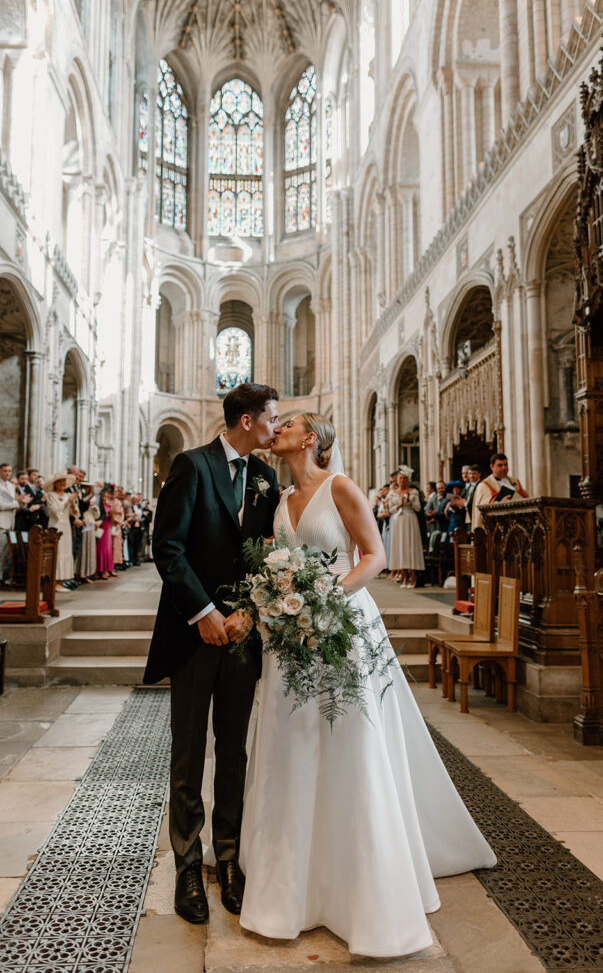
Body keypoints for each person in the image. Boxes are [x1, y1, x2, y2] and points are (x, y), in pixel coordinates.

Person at [229, 413, 495, 958]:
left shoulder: (340, 487)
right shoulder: (278, 501)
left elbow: (373, 555)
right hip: (290, 637)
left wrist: (327, 596)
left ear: (311, 440)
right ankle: (291, 884)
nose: (275, 429)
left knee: (350, 741)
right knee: (292, 745)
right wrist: (278, 602)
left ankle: (360, 886)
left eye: (288, 425)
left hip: (342, 624)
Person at [143, 382, 280, 925]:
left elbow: (269, 554)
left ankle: (228, 856)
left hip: (243, 632)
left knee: (234, 749)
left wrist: (250, 609)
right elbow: (167, 547)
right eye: (271, 418)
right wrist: (205, 614)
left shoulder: (266, 478)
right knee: (189, 749)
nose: (276, 426)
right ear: (246, 421)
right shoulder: (191, 465)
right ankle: (185, 862)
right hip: (194, 630)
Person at [0, 463, 30, 587]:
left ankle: (0, 577)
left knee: (5, 552)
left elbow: (12, 505)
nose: (7, 473)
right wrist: (17, 502)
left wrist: (22, 503)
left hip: (10, 522)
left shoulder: (11, 486)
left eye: (10, 471)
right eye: (5, 471)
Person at [388, 468, 425, 588]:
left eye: (405, 478)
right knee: (400, 548)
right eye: (400, 478)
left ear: (408, 480)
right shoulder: (393, 493)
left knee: (411, 547)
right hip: (398, 521)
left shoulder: (413, 491)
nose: (402, 480)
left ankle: (413, 578)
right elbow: (390, 509)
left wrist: (409, 500)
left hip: (410, 519)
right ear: (397, 480)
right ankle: (404, 577)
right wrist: (399, 504)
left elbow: (418, 508)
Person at [472, 453, 528, 529]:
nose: (504, 468)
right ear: (492, 467)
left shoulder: (515, 482)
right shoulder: (484, 485)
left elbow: (525, 498)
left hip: (516, 523)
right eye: (500, 465)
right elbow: (481, 510)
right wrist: (499, 504)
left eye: (506, 464)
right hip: (496, 527)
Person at [44, 472, 77, 591]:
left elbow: (74, 513)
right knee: (57, 552)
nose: (63, 484)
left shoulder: (68, 494)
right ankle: (54, 581)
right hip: (56, 525)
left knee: (65, 550)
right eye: (60, 481)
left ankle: (62, 580)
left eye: (64, 481)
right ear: (55, 483)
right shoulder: (51, 495)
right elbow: (54, 511)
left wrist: (73, 504)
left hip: (66, 525)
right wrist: (67, 503)